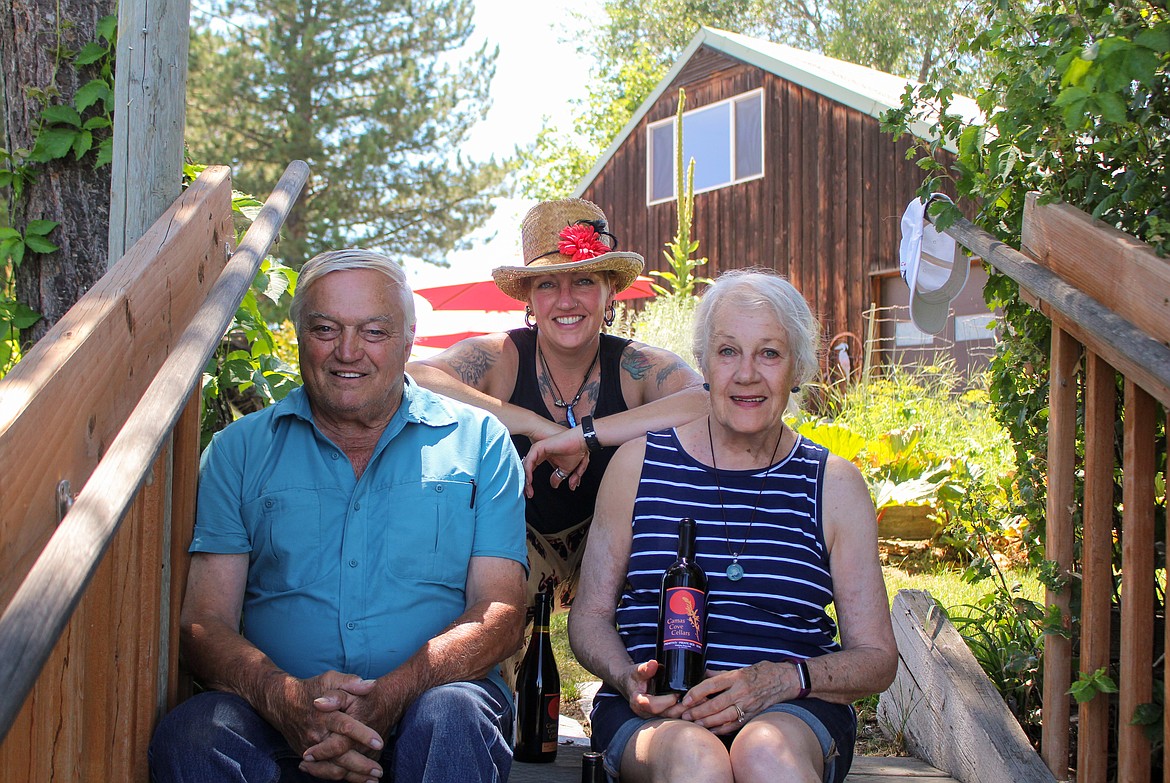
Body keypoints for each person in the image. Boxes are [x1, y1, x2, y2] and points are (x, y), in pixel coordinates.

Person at [149, 250, 529, 783]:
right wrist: (287, 701)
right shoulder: (239, 450)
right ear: (300, 333)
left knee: (453, 716)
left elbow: (501, 611)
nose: (347, 352)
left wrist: (392, 695)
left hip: (434, 708)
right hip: (276, 722)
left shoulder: (479, 442)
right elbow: (204, 622)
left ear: (408, 337)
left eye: (374, 331)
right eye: (325, 329)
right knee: (193, 734)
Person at [569, 268, 898, 783]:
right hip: (654, 717)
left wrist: (783, 680)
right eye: (728, 352)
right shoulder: (636, 466)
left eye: (769, 353)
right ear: (703, 362)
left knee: (765, 757)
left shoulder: (834, 485)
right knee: (696, 762)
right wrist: (627, 677)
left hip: (792, 713)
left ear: (798, 367)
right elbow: (588, 618)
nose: (747, 374)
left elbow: (877, 659)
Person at [407, 198, 706, 611]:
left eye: (583, 281)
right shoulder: (503, 356)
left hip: (612, 543)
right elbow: (415, 378)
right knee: (488, 613)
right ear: (529, 297)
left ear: (610, 291)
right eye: (548, 284)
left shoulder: (637, 366)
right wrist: (532, 424)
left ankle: (633, 674)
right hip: (514, 539)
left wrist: (587, 436)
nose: (566, 301)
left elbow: (710, 401)